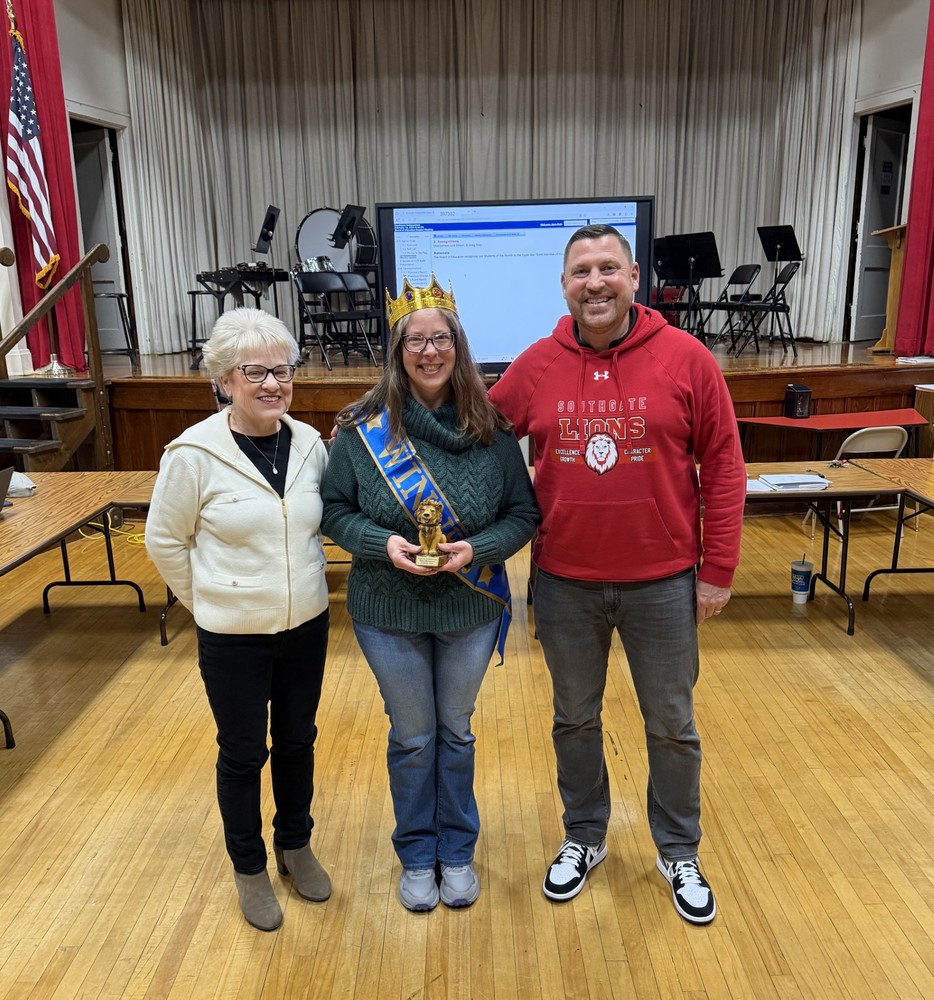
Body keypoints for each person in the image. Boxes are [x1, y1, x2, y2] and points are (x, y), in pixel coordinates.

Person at [488, 224, 746, 925]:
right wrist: (375, 431)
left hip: (662, 581)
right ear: (564, 285)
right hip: (565, 581)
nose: (594, 282)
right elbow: (474, 435)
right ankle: (585, 836)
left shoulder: (687, 359)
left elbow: (724, 466)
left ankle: (677, 848)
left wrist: (717, 568)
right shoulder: (537, 363)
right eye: (580, 271)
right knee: (574, 718)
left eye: (608, 268)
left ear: (635, 277)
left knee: (671, 723)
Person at [321, 276, 539, 912]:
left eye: (440, 338)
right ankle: (417, 853)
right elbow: (333, 510)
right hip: (388, 611)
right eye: (415, 340)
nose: (429, 351)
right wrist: (378, 543)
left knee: (456, 732)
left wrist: (481, 549)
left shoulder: (492, 428)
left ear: (458, 345)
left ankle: (457, 851)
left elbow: (522, 514)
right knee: (414, 736)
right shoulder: (363, 428)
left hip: (469, 607)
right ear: (397, 350)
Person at [145, 307, 330, 932]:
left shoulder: (308, 443)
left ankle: (295, 844)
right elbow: (164, 541)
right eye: (256, 372)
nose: (273, 384)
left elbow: (317, 524)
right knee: (244, 750)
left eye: (283, 370)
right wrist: (212, 604)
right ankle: (249, 865)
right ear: (224, 378)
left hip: (305, 622)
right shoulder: (193, 453)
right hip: (232, 638)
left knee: (299, 740)